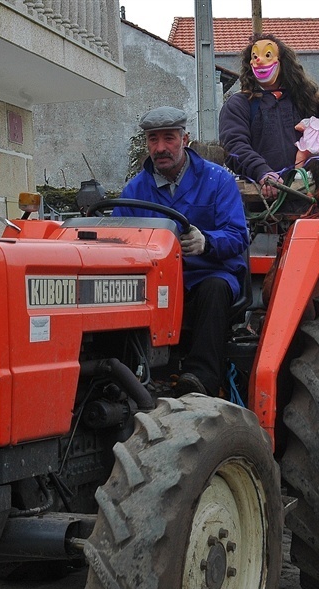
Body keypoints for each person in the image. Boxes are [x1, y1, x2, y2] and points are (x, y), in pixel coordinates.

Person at [113, 106, 249, 397]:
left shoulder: (217, 181)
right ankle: (125, 377)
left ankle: (201, 379)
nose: (160, 147)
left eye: (169, 138)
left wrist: (206, 242)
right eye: (153, 139)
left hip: (205, 274)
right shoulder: (134, 191)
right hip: (155, 282)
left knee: (214, 289)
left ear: (185, 139)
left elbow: (238, 235)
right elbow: (115, 239)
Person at [219, 33, 319, 199]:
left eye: (267, 55)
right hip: (260, 200)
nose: (260, 60)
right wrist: (262, 172)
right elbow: (234, 145)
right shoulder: (239, 104)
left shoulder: (304, 100)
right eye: (255, 56)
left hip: (308, 194)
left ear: (282, 61)